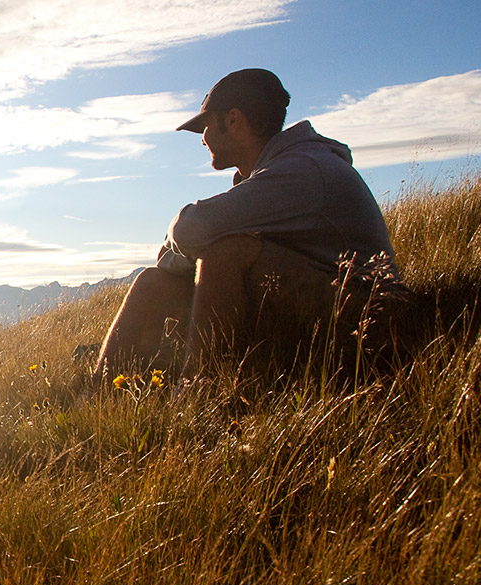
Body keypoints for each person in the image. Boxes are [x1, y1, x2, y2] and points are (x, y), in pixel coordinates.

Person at [96, 68, 405, 377]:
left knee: (225, 250)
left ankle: (197, 392)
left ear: (233, 120)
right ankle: (99, 391)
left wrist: (188, 251)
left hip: (367, 315)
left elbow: (190, 230)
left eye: (205, 126)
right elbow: (179, 250)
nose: (203, 140)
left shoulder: (302, 170)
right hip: (316, 295)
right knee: (154, 281)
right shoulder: (272, 175)